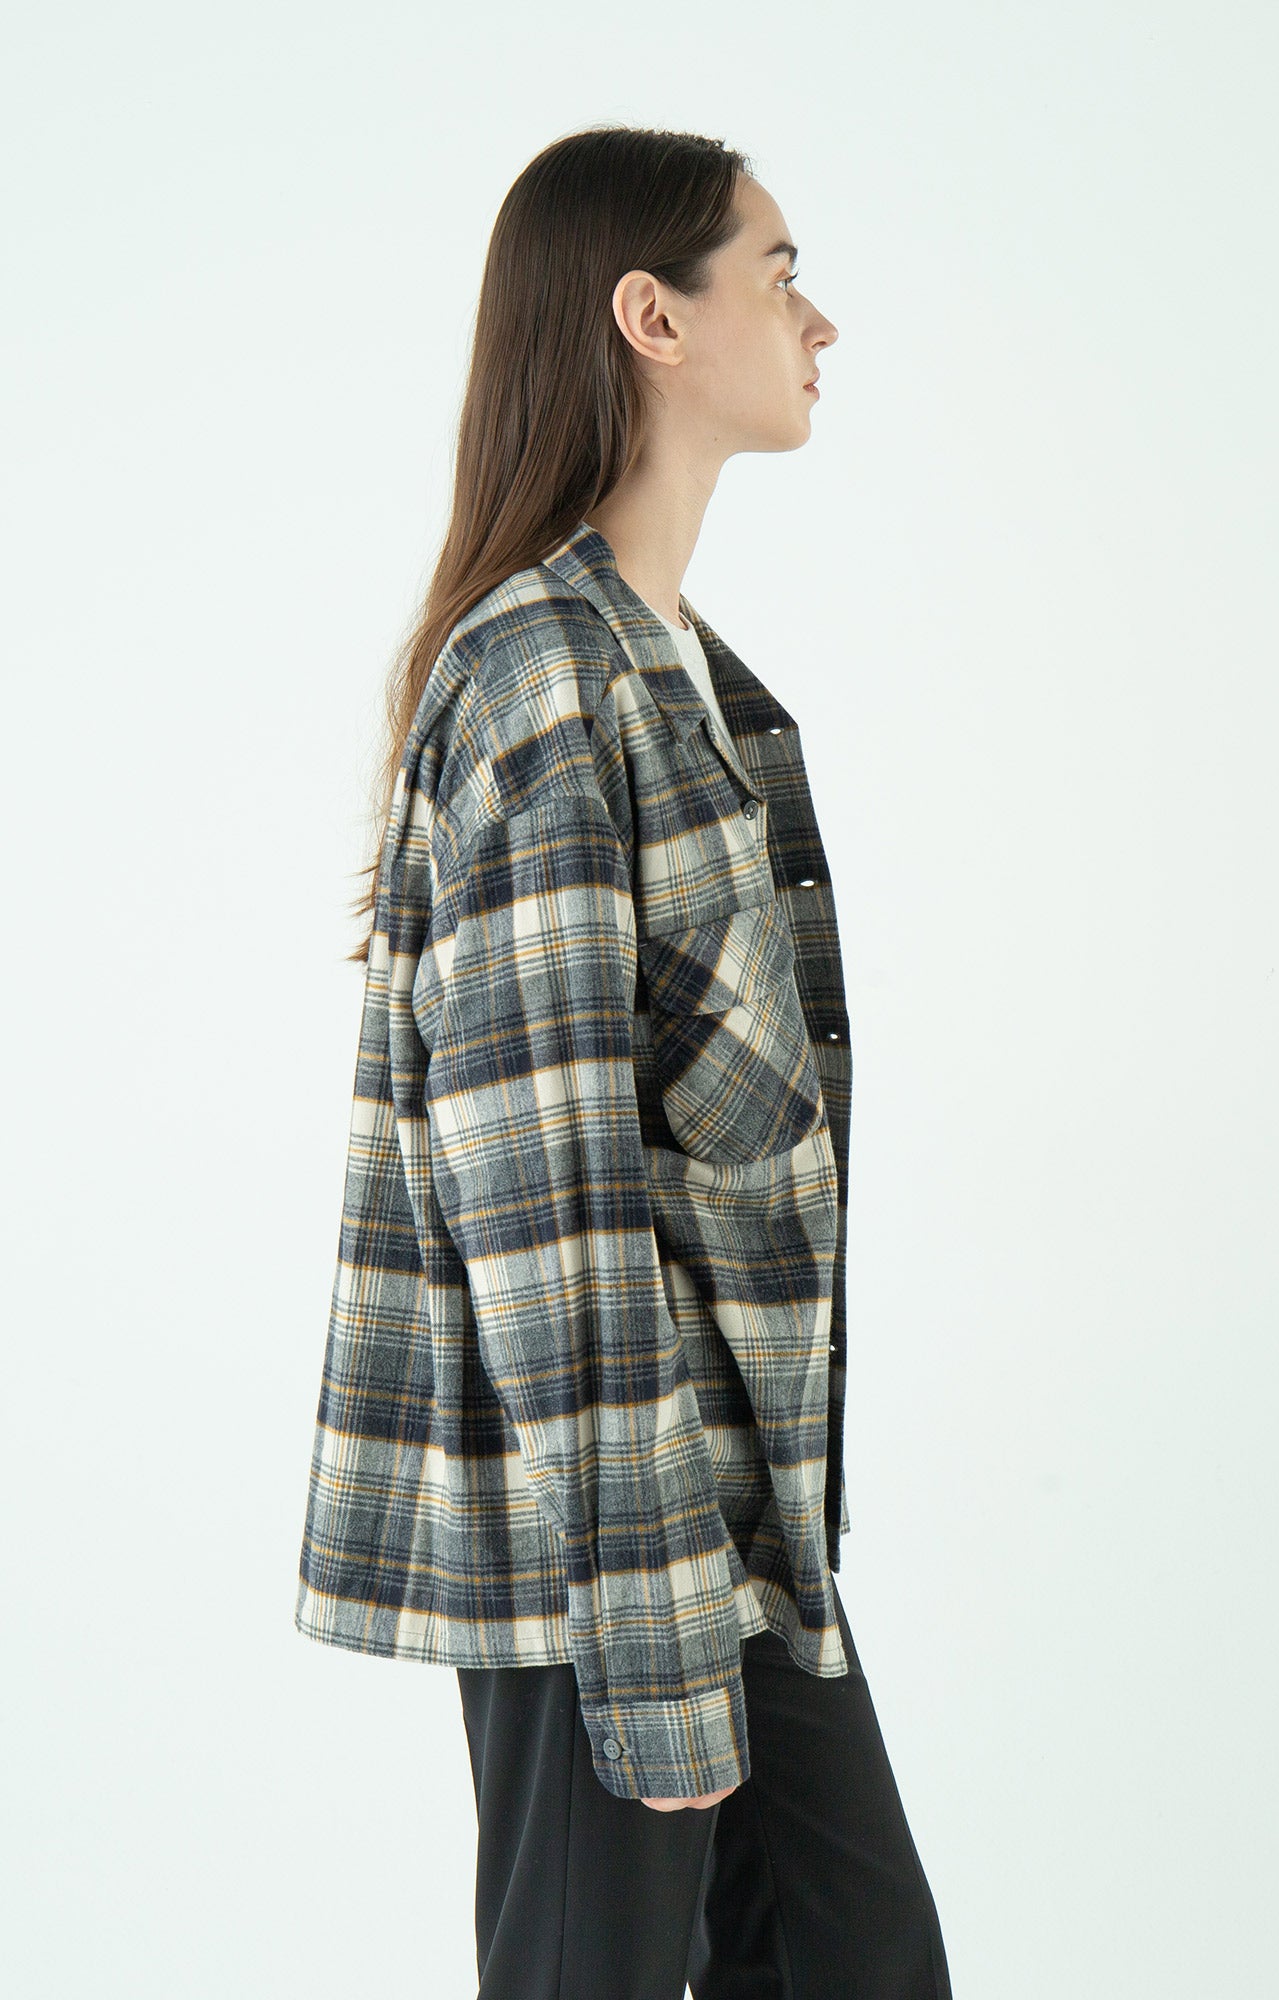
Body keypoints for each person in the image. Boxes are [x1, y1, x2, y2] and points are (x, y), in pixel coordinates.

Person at [293, 124, 954, 1998]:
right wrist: (651, 1647)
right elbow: (551, 1206)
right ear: (651, 317)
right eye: (780, 274)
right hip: (600, 1550)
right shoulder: (541, 680)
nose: (820, 322)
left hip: (732, 1514)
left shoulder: (682, 675)